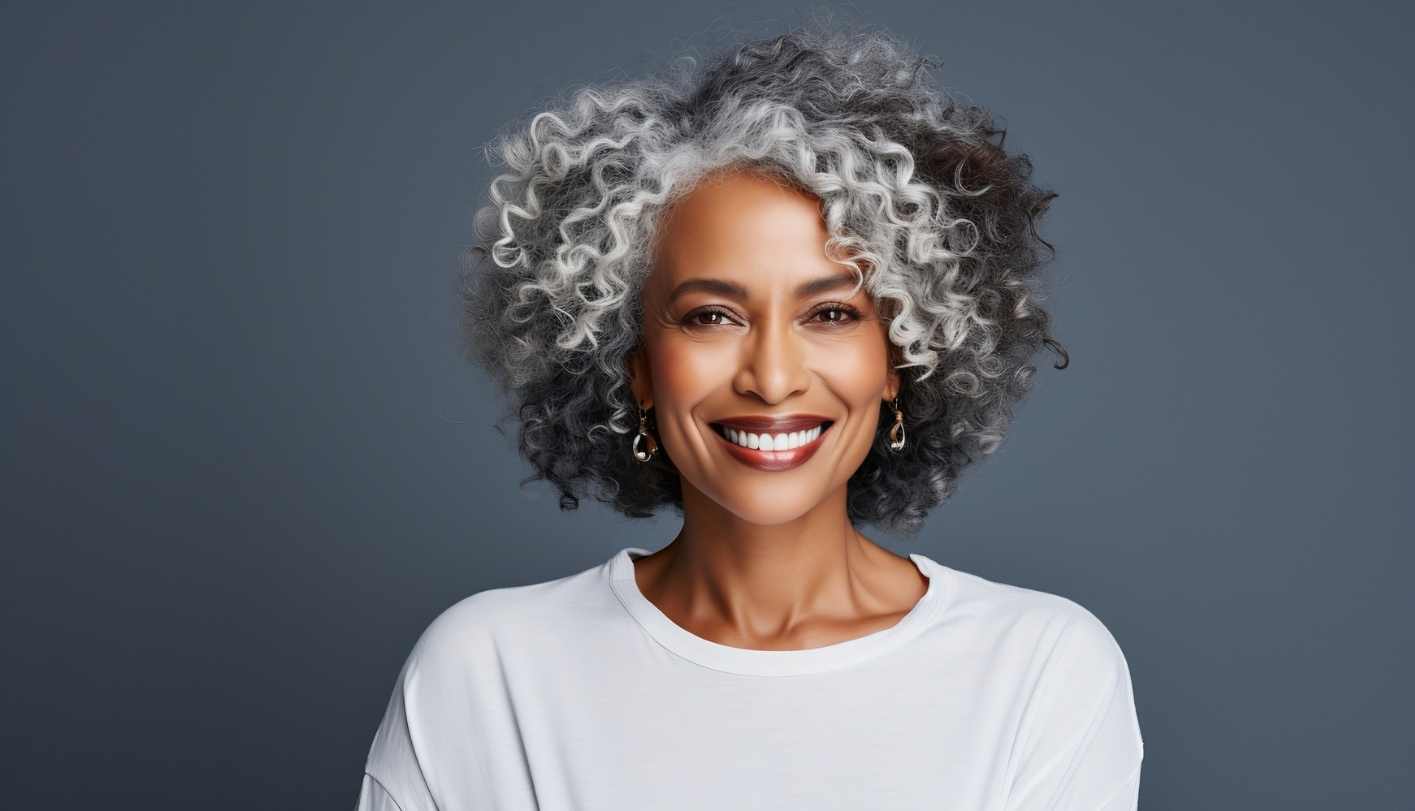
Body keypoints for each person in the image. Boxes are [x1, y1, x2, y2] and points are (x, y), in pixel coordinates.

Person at [355, 24, 1143, 810]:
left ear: (899, 360)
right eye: (711, 316)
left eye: (829, 314)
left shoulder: (1039, 670)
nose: (770, 378)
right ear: (635, 368)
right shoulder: (486, 673)